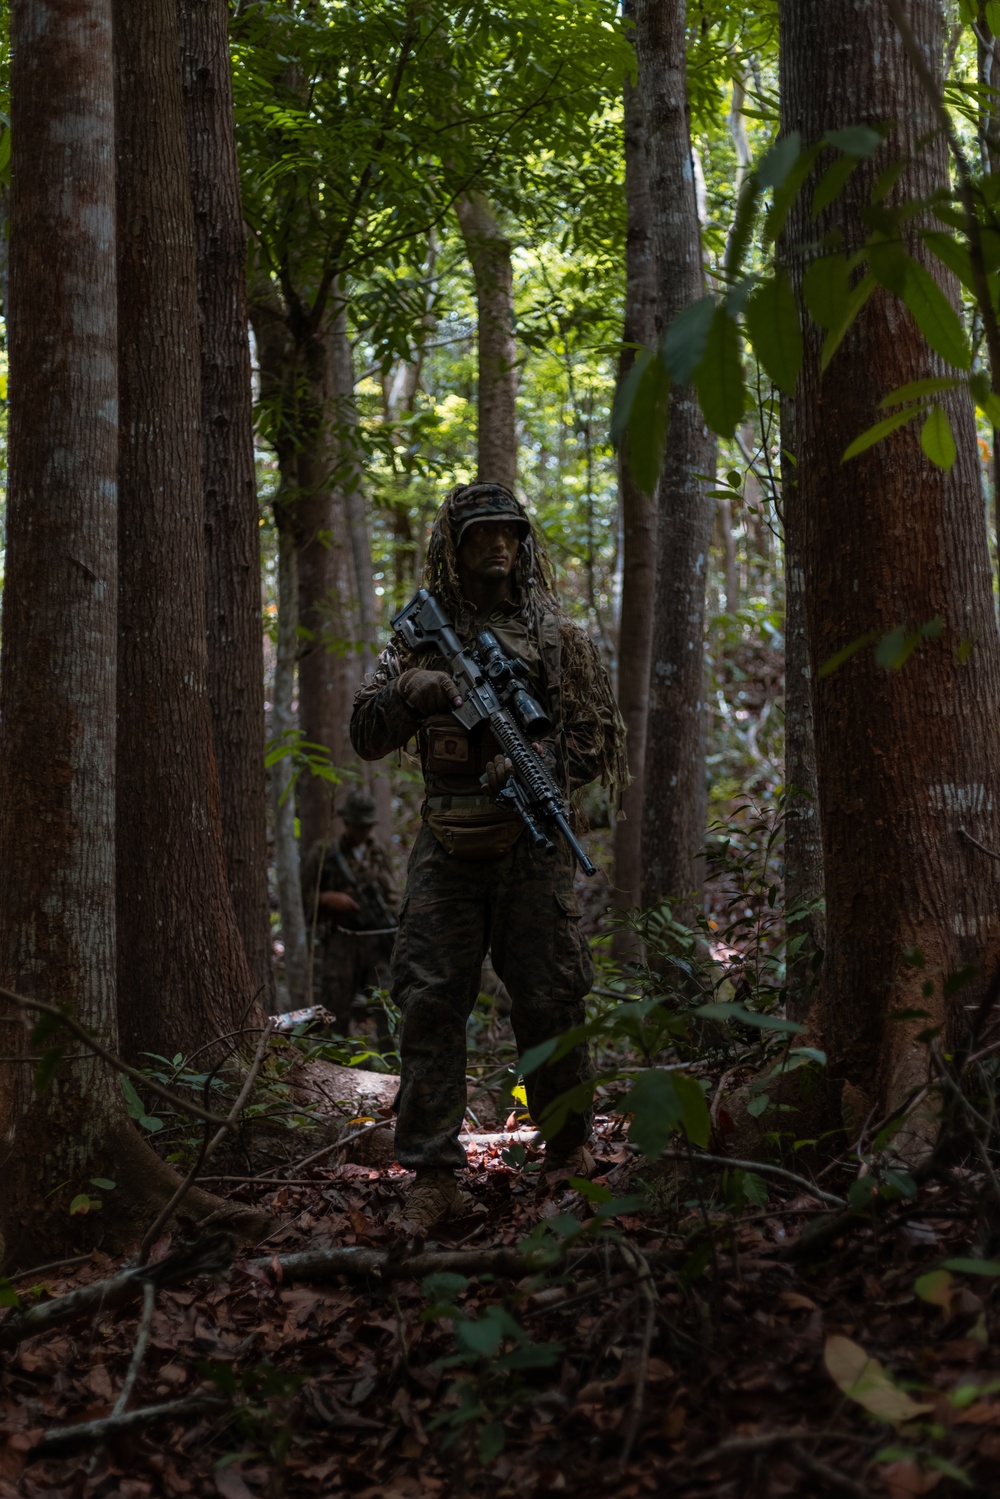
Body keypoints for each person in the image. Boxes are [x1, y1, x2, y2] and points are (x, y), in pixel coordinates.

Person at [350, 482, 628, 1229]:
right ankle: (434, 1175)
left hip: (530, 845)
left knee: (551, 995)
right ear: (456, 544)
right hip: (447, 842)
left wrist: (533, 757)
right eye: (481, 534)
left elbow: (598, 737)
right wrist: (413, 690)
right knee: (432, 1000)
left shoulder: (555, 635)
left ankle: (568, 1150)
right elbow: (366, 731)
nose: (497, 545)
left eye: (508, 531)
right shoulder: (418, 635)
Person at [299, 788, 399, 1039]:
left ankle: (391, 1067)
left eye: (367, 826)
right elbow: (304, 898)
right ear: (346, 823)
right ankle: (332, 1064)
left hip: (376, 944)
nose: (363, 832)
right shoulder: (324, 854)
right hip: (341, 943)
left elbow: (392, 897)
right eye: (358, 826)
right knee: (334, 1010)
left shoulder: (377, 854)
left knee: (386, 1006)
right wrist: (328, 899)